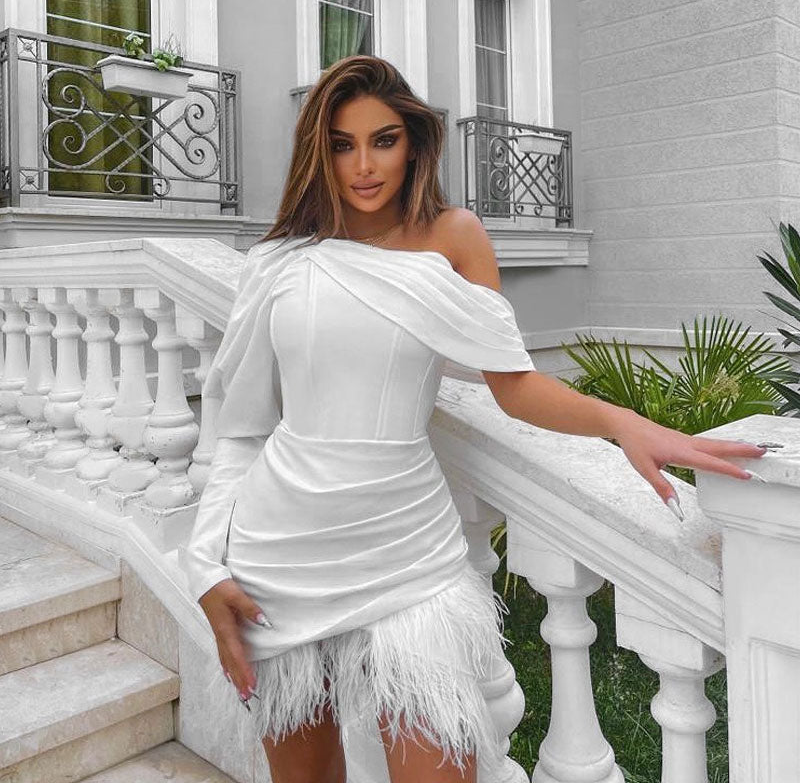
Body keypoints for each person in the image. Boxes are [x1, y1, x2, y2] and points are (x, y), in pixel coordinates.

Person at [181, 55, 767, 783]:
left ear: (415, 142)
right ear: (317, 152)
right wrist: (203, 563)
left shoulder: (451, 237)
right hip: (281, 556)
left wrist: (624, 424)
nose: (364, 165)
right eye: (342, 144)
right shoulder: (280, 262)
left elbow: (514, 385)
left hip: (408, 556)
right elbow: (240, 430)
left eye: (383, 140)